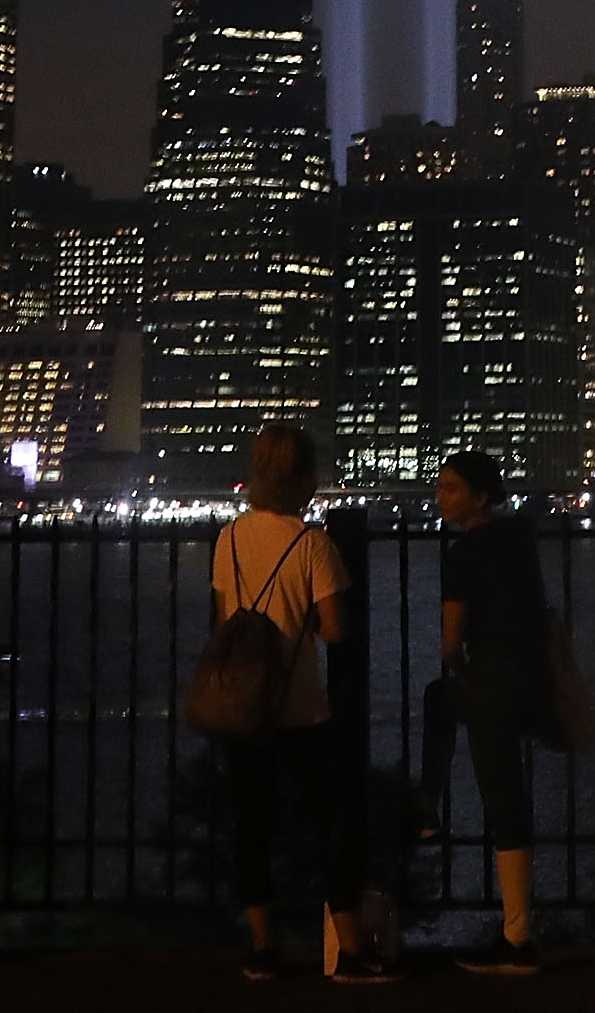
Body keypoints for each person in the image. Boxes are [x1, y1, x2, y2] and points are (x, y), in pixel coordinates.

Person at [211, 422, 388, 985]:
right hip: (301, 710)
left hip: (245, 710)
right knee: (335, 824)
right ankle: (350, 949)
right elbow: (335, 629)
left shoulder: (228, 539)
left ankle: (262, 946)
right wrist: (302, 617)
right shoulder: (311, 543)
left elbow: (225, 617)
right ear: (305, 479)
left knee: (252, 827)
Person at [434, 450, 550, 975]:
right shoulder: (518, 537)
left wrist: (462, 667)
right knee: (510, 795)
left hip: (491, 681)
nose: (440, 497)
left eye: (451, 488)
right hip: (529, 675)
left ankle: (518, 938)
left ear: (479, 497)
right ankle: (518, 932)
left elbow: (450, 642)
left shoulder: (464, 554)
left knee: (502, 801)